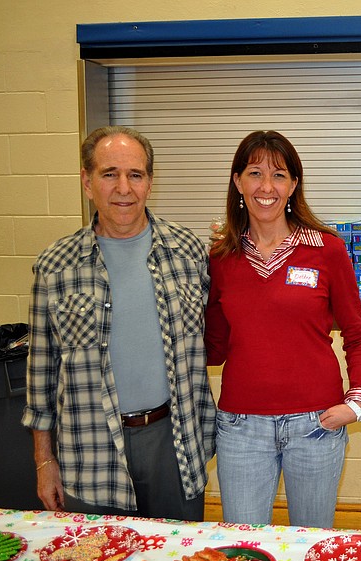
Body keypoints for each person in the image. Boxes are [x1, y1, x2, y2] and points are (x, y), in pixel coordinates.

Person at [23, 126, 216, 520]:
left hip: (174, 443)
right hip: (90, 451)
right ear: (87, 182)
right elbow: (40, 381)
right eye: (109, 174)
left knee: (178, 552)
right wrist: (45, 464)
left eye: (135, 175)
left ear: (149, 182)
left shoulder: (189, 254)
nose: (123, 188)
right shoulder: (54, 268)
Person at [205, 130, 361, 527]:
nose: (267, 187)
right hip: (241, 428)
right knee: (243, 546)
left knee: (311, 543)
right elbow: (214, 346)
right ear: (237, 181)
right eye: (254, 173)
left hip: (316, 426)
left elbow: (357, 335)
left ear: (294, 184)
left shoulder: (327, 250)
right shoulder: (221, 256)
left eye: (279, 175)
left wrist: (356, 404)